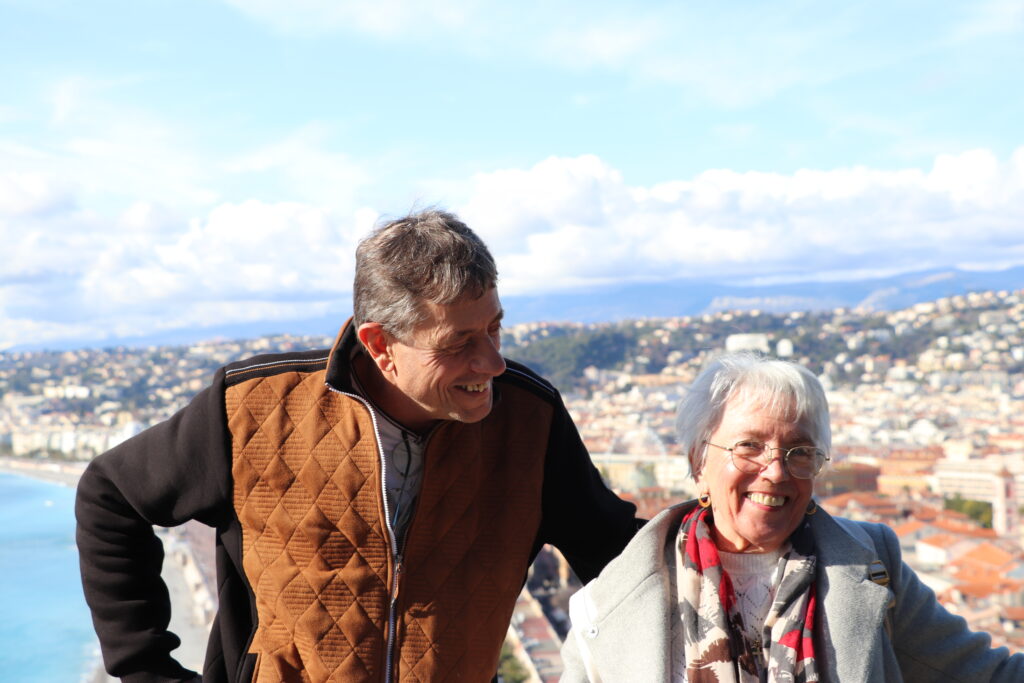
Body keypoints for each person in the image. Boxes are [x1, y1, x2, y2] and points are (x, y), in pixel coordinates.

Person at [76, 209, 639, 683]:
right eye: (460, 342)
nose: (491, 362)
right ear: (379, 345)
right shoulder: (255, 408)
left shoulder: (530, 421)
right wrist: (147, 670)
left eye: (495, 327)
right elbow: (110, 496)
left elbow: (628, 565)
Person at [561, 352, 1024, 682]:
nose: (776, 471)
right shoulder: (606, 605)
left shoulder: (875, 567)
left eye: (800, 451)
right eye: (749, 446)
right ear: (699, 462)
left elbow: (988, 674)